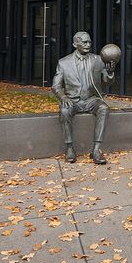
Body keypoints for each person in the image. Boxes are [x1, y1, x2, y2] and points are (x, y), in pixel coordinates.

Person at [51, 31, 116, 164]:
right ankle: (69, 148)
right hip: (72, 100)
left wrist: (110, 73)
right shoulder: (63, 63)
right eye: (84, 42)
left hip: (92, 99)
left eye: (89, 42)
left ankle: (96, 150)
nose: (88, 45)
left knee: (104, 108)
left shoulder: (98, 60)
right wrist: (64, 98)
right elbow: (56, 87)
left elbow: (107, 82)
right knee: (64, 111)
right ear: (75, 44)